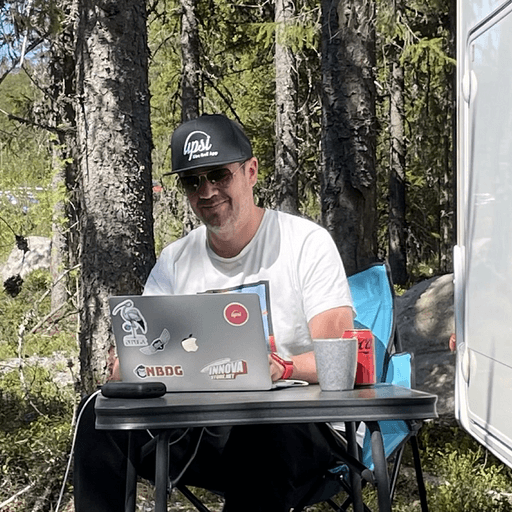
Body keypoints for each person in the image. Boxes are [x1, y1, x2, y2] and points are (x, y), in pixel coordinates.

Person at [73, 114, 355, 512]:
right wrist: (130, 366)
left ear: (251, 171)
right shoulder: (176, 259)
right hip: (202, 429)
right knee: (99, 418)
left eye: (219, 175)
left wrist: (282, 366)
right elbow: (139, 355)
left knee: (258, 430)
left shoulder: (304, 243)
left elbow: (339, 359)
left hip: (301, 428)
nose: (207, 191)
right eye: (192, 181)